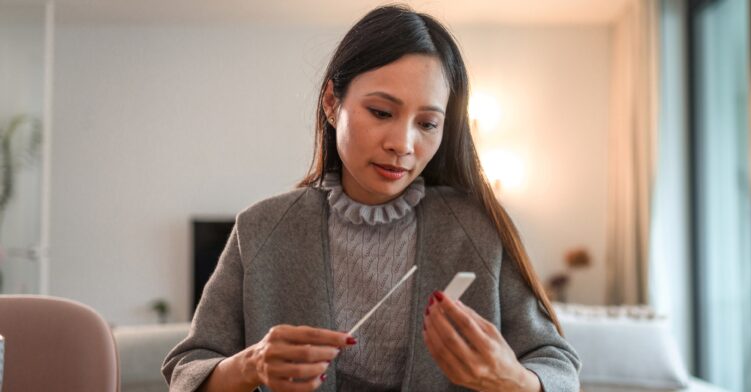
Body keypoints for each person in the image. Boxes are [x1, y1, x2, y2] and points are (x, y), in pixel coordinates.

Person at [162, 4, 581, 392]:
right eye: (381, 112)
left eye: (428, 123)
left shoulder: (476, 229)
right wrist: (251, 364)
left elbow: (557, 364)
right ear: (331, 102)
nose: (402, 143)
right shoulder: (261, 229)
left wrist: (514, 380)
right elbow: (186, 372)